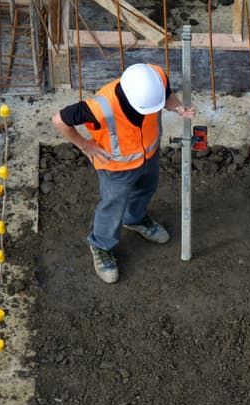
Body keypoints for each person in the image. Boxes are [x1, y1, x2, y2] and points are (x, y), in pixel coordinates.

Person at [51, 63, 195, 284]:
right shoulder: (100, 106)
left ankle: (135, 219)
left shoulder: (155, 77)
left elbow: (165, 97)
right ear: (130, 99)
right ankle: (101, 245)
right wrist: (84, 145)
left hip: (149, 154)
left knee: (146, 188)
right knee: (113, 204)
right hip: (115, 168)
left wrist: (178, 108)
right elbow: (59, 120)